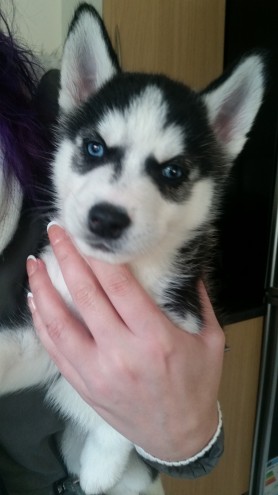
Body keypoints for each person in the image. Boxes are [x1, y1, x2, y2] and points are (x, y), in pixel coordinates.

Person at [0, 10, 225, 495]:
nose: (113, 203)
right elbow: (39, 348)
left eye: (170, 173)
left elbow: (177, 403)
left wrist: (186, 436)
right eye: (97, 149)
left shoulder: (29, 106)